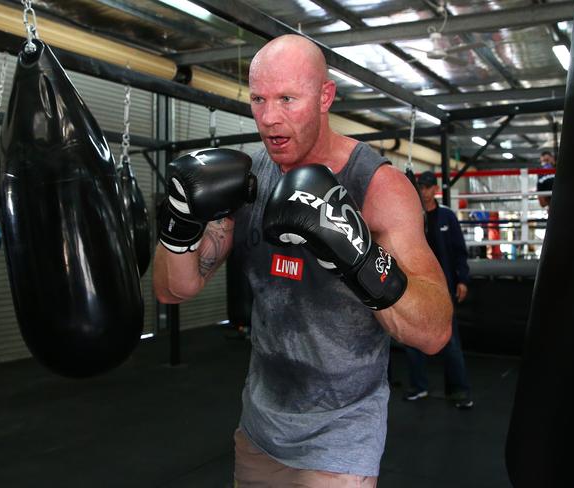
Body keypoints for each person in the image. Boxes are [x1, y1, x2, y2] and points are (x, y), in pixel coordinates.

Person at [153, 34, 452, 487]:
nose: (269, 118)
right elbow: (173, 289)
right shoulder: (249, 178)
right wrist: (178, 228)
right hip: (259, 427)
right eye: (258, 99)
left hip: (342, 436)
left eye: (287, 99)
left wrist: (358, 255)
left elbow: (434, 333)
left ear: (325, 97)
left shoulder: (377, 187)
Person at [403, 171, 473, 409]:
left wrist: (463, 280)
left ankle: (459, 391)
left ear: (435, 190)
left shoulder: (446, 217)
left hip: (443, 288)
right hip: (414, 287)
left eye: (427, 187)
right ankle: (419, 386)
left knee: (450, 341)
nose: (423, 191)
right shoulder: (410, 217)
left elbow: (459, 252)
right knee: (412, 340)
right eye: (420, 187)